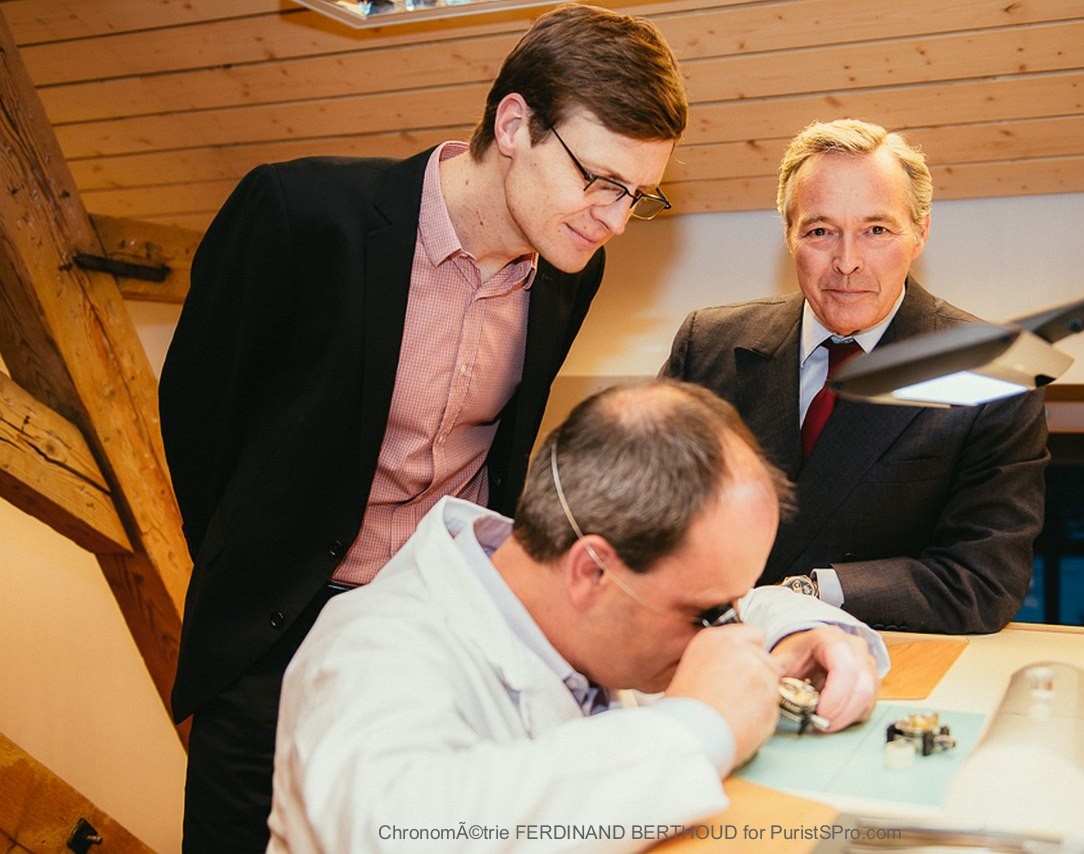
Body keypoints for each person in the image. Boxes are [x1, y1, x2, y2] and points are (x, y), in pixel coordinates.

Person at [158, 5, 688, 851]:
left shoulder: (566, 274)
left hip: (441, 640)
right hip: (274, 639)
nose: (614, 218)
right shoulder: (300, 214)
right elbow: (198, 419)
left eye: (636, 194)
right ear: (514, 123)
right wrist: (256, 564)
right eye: (600, 179)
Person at [267, 379, 887, 852]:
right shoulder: (371, 653)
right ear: (592, 570)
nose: (731, 628)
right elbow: (395, 832)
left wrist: (809, 631)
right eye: (708, 614)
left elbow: (730, 592)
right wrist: (696, 728)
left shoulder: (557, 575)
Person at [662, 118, 1048, 635]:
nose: (847, 262)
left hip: (879, 662)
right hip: (705, 652)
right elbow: (643, 516)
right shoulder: (706, 345)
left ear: (919, 233)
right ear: (789, 235)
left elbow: (981, 581)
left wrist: (808, 592)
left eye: (876, 230)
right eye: (821, 231)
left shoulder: (996, 372)